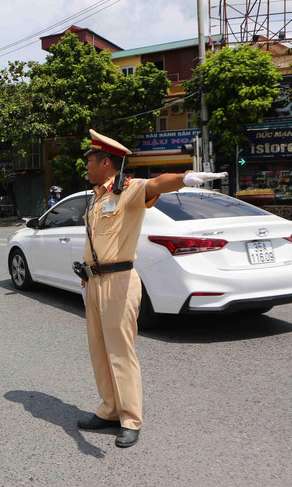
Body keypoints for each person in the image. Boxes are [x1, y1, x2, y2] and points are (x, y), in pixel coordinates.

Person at [77, 129, 226, 448]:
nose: (85, 165)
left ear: (105, 162)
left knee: (120, 351)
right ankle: (109, 410)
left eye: (89, 160)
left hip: (118, 282)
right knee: (99, 350)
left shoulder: (128, 192)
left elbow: (156, 183)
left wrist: (186, 177)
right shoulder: (97, 196)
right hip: (94, 281)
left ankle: (130, 418)